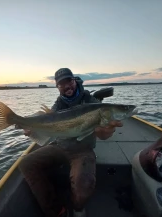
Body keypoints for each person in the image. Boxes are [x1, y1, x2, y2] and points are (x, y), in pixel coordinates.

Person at [18, 68, 123, 217]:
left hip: (82, 150)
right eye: (62, 84)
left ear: (75, 80)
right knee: (26, 163)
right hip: (59, 146)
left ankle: (78, 208)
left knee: (84, 184)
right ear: (58, 87)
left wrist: (104, 130)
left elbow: (104, 136)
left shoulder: (91, 102)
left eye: (69, 81)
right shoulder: (58, 104)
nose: (67, 86)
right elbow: (47, 125)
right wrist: (32, 130)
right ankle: (57, 211)